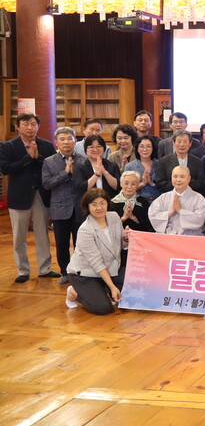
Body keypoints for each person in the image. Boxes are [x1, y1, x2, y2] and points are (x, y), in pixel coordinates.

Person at [0, 113, 58, 282]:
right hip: (19, 196)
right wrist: (28, 158)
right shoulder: (8, 146)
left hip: (41, 194)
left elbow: (52, 166)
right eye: (25, 124)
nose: (30, 127)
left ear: (38, 127)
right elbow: (5, 169)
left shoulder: (46, 145)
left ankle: (45, 268)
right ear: (17, 127)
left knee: (42, 233)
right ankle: (23, 271)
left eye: (33, 124)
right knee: (19, 235)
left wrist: (37, 158)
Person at [63, 189, 125, 315]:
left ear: (107, 203)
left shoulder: (114, 217)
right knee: (103, 308)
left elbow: (121, 243)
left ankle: (102, 289)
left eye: (102, 203)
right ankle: (74, 292)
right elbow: (97, 263)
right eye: (94, 204)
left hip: (110, 269)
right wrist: (113, 287)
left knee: (134, 290)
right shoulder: (85, 230)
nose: (99, 208)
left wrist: (127, 238)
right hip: (85, 273)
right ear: (87, 207)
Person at [42, 127, 84, 282]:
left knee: (81, 242)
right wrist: (65, 173)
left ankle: (80, 270)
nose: (66, 142)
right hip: (59, 207)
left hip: (80, 207)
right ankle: (65, 272)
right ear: (56, 142)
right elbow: (46, 184)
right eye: (62, 139)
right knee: (62, 242)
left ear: (75, 141)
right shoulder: (49, 162)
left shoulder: (83, 159)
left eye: (69, 138)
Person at [148, 166, 205, 236]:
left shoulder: (199, 199)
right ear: (171, 178)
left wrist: (180, 210)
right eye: (175, 176)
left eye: (182, 177)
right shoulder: (163, 198)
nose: (178, 180)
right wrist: (170, 212)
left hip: (191, 238)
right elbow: (153, 215)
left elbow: (199, 220)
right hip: (168, 237)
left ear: (189, 178)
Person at [74, 135, 121, 214]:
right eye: (91, 147)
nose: (95, 149)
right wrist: (97, 174)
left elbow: (117, 186)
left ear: (104, 149)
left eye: (99, 146)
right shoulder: (80, 166)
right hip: (87, 207)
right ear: (86, 149)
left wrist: (105, 172)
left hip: (109, 205)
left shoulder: (111, 165)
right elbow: (81, 188)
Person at [155, 130, 205, 195]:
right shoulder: (164, 161)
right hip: (170, 196)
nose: (182, 144)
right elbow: (160, 182)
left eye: (185, 141)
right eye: (179, 141)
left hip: (192, 196)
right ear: (173, 143)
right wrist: (178, 185)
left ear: (190, 143)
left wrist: (185, 184)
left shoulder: (198, 161)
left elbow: (201, 182)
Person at [110, 170, 153, 235]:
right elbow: (108, 227)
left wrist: (133, 217)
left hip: (139, 238)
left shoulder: (143, 202)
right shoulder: (112, 203)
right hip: (117, 238)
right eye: (126, 183)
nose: (129, 187)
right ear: (121, 184)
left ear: (138, 185)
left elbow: (149, 226)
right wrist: (124, 217)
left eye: (133, 184)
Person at [125, 135, 161, 200]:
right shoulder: (129, 167)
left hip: (158, 202)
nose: (145, 149)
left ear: (153, 148)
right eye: (141, 146)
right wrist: (142, 184)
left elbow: (165, 187)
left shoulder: (160, 164)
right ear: (137, 149)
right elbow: (126, 189)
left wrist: (151, 183)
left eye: (148, 146)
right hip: (138, 203)